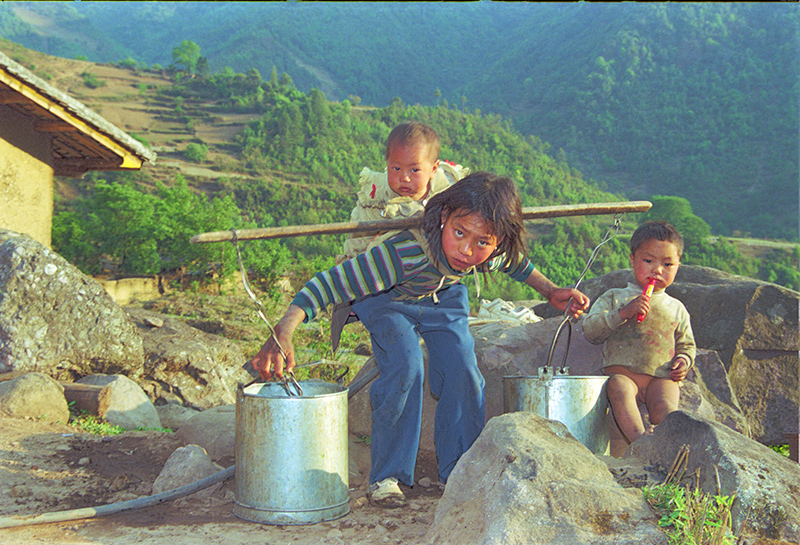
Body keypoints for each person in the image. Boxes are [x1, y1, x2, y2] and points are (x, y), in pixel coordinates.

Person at [250, 172, 590, 508]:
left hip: (441, 297)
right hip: (388, 300)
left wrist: (550, 291)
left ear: (496, 240)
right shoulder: (400, 253)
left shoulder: (484, 248)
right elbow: (330, 283)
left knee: (463, 369)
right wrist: (284, 330)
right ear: (444, 218)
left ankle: (458, 469)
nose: (467, 250)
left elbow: (516, 264)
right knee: (406, 366)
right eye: (459, 233)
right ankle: (388, 476)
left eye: (482, 242)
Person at [331, 121, 467, 351]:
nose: (404, 178)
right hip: (383, 286)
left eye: (414, 170)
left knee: (457, 352)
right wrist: (354, 285)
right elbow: (357, 241)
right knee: (403, 357)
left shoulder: (449, 196)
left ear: (434, 169)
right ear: (387, 165)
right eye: (396, 169)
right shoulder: (374, 199)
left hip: (435, 284)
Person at [582, 220, 696, 457]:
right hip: (624, 375)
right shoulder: (615, 297)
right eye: (648, 261)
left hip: (661, 378)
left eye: (667, 264)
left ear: (678, 266)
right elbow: (591, 331)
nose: (657, 270)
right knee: (618, 387)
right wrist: (622, 313)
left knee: (665, 408)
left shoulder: (676, 308)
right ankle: (642, 443)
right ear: (632, 259)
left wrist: (683, 362)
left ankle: (667, 449)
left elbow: (687, 345)